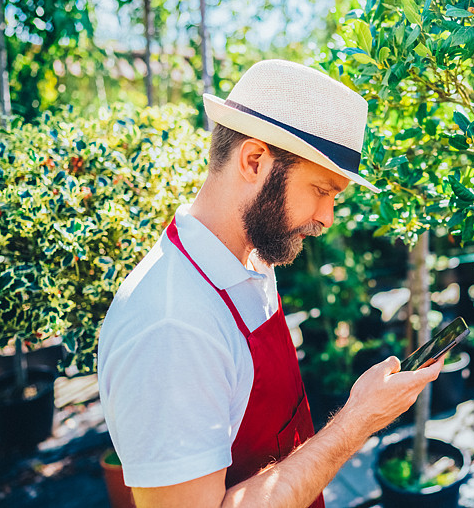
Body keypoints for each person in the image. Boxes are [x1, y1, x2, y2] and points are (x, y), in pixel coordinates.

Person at [97, 59, 442, 508]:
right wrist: (356, 421)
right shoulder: (170, 326)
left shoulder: (253, 257)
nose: (326, 218)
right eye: (322, 190)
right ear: (255, 160)